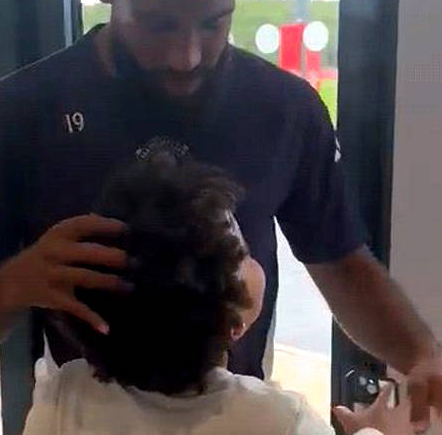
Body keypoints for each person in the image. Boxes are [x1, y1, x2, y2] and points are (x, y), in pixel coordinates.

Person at [0, 0, 442, 434]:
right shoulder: (14, 117)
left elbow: (343, 265)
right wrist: (20, 280)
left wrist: (423, 355)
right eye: (159, 24)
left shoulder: (284, 111)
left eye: (213, 24)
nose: (186, 56)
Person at [22, 157, 409, 435]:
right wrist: (374, 431)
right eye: (243, 253)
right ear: (232, 324)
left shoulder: (63, 396)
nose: (255, 259)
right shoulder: (278, 420)